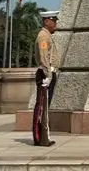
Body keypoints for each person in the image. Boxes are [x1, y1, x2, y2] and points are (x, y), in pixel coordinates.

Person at [32, 10, 59, 147]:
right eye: (53, 22)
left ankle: (43, 136)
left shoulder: (47, 35)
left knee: (44, 107)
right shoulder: (43, 36)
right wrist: (48, 75)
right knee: (42, 107)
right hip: (45, 74)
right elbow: (43, 58)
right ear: (46, 22)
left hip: (47, 73)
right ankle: (41, 137)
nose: (55, 24)